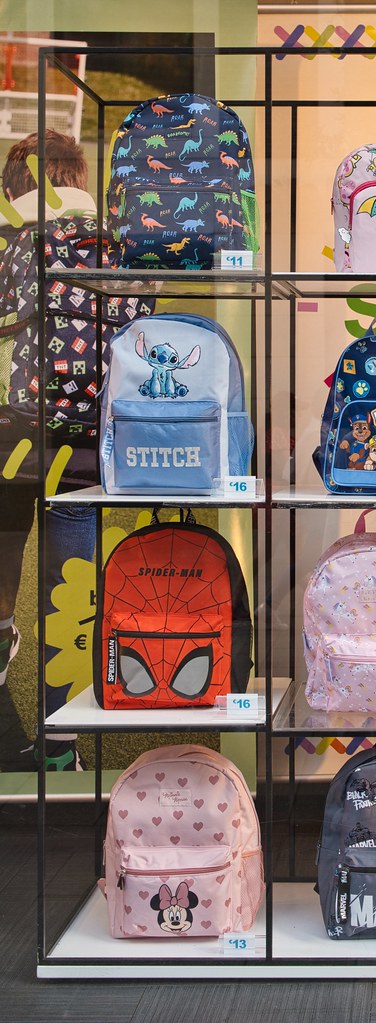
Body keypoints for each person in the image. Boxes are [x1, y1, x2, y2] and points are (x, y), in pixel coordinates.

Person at [0, 129, 99, 770]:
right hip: (84, 435)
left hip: (12, 430)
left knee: (4, 586)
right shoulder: (103, 243)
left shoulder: (11, 245)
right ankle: (62, 743)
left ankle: (7, 737)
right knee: (72, 593)